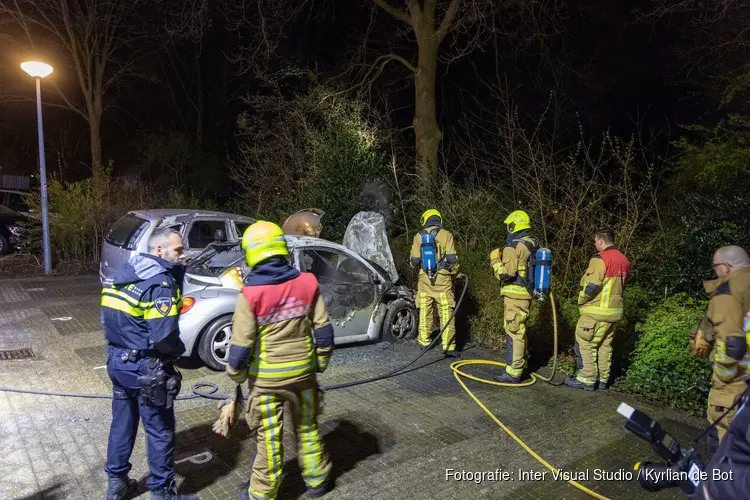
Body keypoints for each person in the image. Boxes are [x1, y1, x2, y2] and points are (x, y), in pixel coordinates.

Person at [226, 221, 334, 500]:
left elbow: (239, 350)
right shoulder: (307, 283)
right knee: (308, 428)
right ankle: (317, 480)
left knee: (270, 439)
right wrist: (319, 364)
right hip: (304, 377)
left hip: (266, 383)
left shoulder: (250, 295)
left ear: (252, 252)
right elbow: (324, 332)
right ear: (281, 247)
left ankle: (262, 493)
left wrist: (236, 378)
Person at [100, 227, 196, 500]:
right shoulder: (159, 284)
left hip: (117, 362)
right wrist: (179, 352)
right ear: (159, 250)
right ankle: (163, 493)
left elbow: (107, 321)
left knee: (122, 423)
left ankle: (116, 484)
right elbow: (164, 336)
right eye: (178, 250)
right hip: (147, 369)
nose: (182, 254)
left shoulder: (122, 275)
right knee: (160, 430)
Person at [688, 245, 750, 456]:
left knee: (723, 439)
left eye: (715, 267)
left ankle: (719, 484)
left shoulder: (728, 290)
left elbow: (733, 345)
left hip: (736, 382)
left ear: (726, 267)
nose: (715, 272)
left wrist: (722, 379)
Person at [563, 228, 630, 391]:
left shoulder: (600, 259)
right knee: (604, 346)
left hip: (596, 312)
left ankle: (587, 378)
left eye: (595, 241)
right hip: (614, 313)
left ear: (601, 241)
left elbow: (592, 285)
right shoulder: (624, 260)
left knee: (584, 342)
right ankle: (602, 380)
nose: (594, 244)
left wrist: (581, 300)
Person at [490, 210, 541, 383]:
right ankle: (521, 364)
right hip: (526, 293)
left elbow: (507, 273)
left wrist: (495, 262)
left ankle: (514, 372)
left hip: (514, 294)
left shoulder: (513, 245)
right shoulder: (533, 243)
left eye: (508, 226)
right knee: (520, 330)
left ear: (514, 225)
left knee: (514, 332)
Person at [409, 209, 460, 357]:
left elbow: (414, 261)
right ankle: (448, 346)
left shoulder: (419, 236)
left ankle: (424, 342)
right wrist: (455, 272)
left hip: (425, 279)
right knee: (446, 310)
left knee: (425, 310)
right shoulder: (446, 234)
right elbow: (452, 260)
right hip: (443, 279)